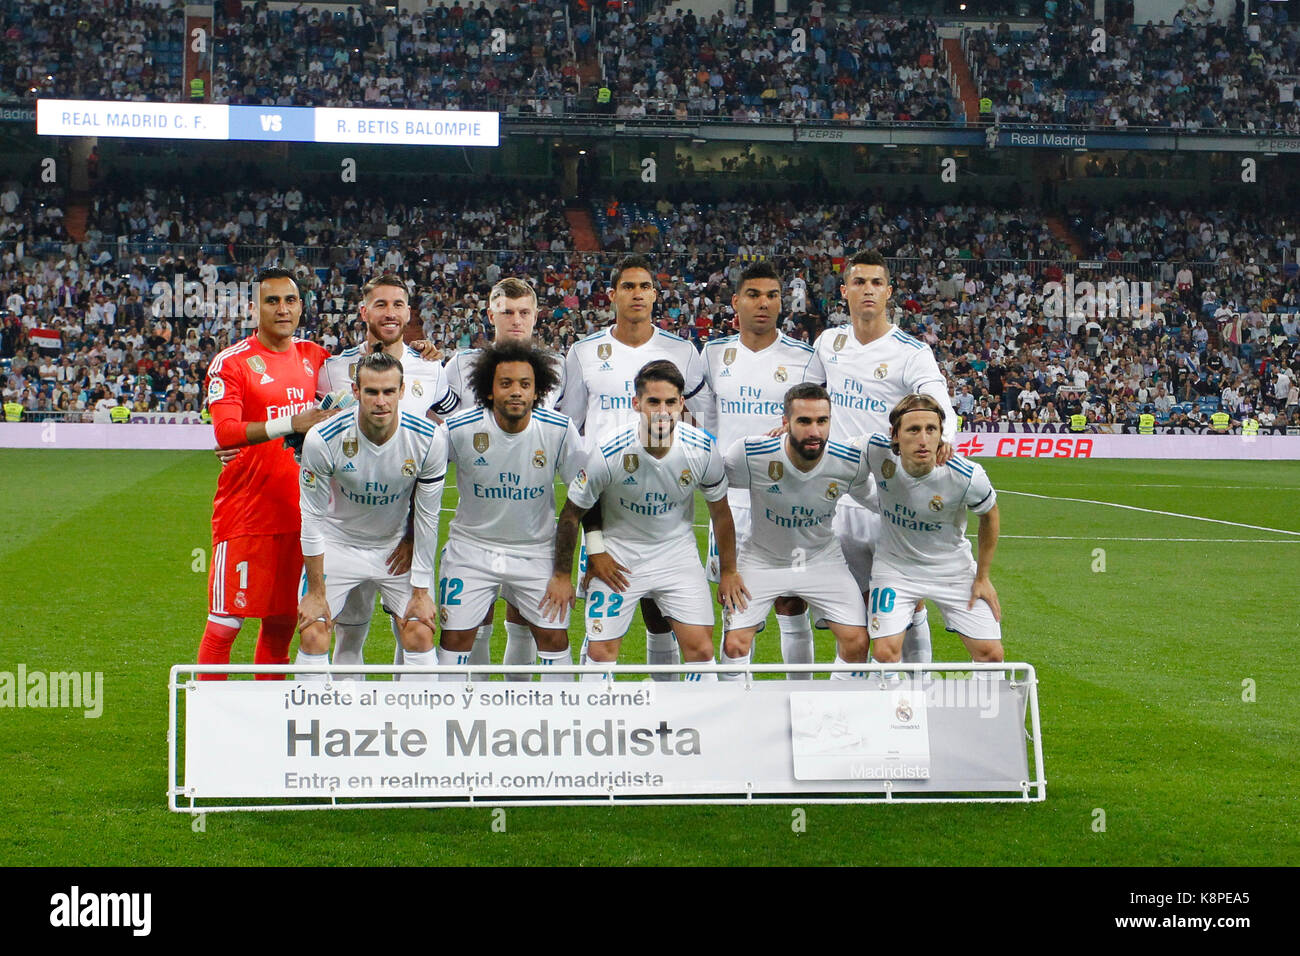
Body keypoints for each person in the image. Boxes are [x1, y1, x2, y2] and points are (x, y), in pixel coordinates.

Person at [544, 360, 746, 682]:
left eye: (670, 402)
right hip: (619, 555)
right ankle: (595, 724)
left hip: (676, 555)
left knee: (702, 650)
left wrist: (730, 572)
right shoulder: (610, 451)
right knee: (600, 654)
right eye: (653, 401)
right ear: (637, 404)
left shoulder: (702, 450)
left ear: (682, 403)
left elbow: (721, 514)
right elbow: (572, 511)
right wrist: (579, 562)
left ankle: (690, 726)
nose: (662, 411)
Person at [806, 250, 959, 665]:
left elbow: (938, 402)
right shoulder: (828, 343)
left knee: (907, 604)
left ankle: (918, 693)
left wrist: (944, 435)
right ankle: (857, 703)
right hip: (841, 494)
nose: (868, 290)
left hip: (892, 495)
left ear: (889, 292)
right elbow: (807, 400)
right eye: (859, 282)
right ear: (845, 292)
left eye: (876, 283)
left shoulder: (911, 352)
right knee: (851, 610)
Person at [558, 256, 706, 678]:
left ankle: (663, 705)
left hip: (664, 499)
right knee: (605, 610)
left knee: (663, 613)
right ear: (613, 295)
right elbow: (573, 428)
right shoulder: (584, 352)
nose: (637, 293)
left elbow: (701, 420)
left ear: (656, 295)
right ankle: (598, 715)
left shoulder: (682, 351)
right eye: (628, 286)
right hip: (604, 501)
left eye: (645, 286)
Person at [315, 274, 456, 675]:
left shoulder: (430, 370)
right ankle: (345, 722)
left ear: (409, 312)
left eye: (398, 305)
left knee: (412, 628)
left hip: (404, 527)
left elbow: (446, 433)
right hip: (344, 525)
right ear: (364, 311)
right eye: (380, 304)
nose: (390, 313)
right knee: (348, 633)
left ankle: (405, 722)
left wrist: (415, 532)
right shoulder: (333, 369)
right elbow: (309, 432)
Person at [197, 268, 334, 680]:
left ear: (301, 307)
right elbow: (224, 433)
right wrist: (292, 423)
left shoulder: (316, 357)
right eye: (272, 301)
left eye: (290, 300)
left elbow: (367, 381)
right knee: (225, 625)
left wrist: (423, 355)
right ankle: (209, 727)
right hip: (246, 515)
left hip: (301, 517)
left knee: (280, 626)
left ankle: (266, 726)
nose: (282, 309)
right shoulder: (233, 362)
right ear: (254, 308)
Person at [693, 260, 820, 677]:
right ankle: (734, 701)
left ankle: (799, 695)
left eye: (772, 295)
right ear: (736, 301)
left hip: (789, 498)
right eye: (753, 295)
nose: (763, 304)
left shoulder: (805, 358)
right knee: (735, 602)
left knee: (792, 599)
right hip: (732, 502)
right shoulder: (712, 355)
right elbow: (702, 418)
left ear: (782, 302)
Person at [439, 277, 567, 676]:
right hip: (478, 514)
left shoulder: (560, 367)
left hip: (532, 521)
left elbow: (567, 425)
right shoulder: (459, 366)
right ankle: (473, 706)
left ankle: (523, 710)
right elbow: (439, 427)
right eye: (507, 311)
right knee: (471, 624)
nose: (516, 320)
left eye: (524, 312)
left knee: (527, 621)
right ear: (490, 313)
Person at [296, 351, 447, 681]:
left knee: (420, 632)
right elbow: (312, 518)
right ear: (355, 391)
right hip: (337, 544)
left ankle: (421, 728)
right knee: (312, 631)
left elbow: (428, 517)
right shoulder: (323, 439)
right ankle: (313, 726)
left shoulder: (429, 439)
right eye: (371, 392)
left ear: (402, 391)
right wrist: (316, 592)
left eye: (389, 391)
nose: (381, 401)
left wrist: (421, 593)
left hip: (394, 548)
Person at [721, 384, 874, 680]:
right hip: (763, 560)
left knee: (857, 642)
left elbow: (879, 501)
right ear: (785, 422)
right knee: (735, 645)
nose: (814, 430)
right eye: (804, 421)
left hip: (822, 560)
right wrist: (728, 568)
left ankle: (828, 715)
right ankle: (738, 717)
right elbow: (711, 487)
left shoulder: (849, 462)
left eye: (822, 421)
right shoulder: (750, 453)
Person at [861, 394, 1003, 681]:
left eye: (931, 429)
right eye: (913, 430)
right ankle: (896, 718)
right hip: (895, 570)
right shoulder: (874, 450)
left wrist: (983, 576)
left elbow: (990, 515)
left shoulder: (967, 475)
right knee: (885, 654)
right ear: (895, 434)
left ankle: (987, 723)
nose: (923, 439)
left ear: (942, 434)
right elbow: (824, 450)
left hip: (952, 571)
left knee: (991, 655)